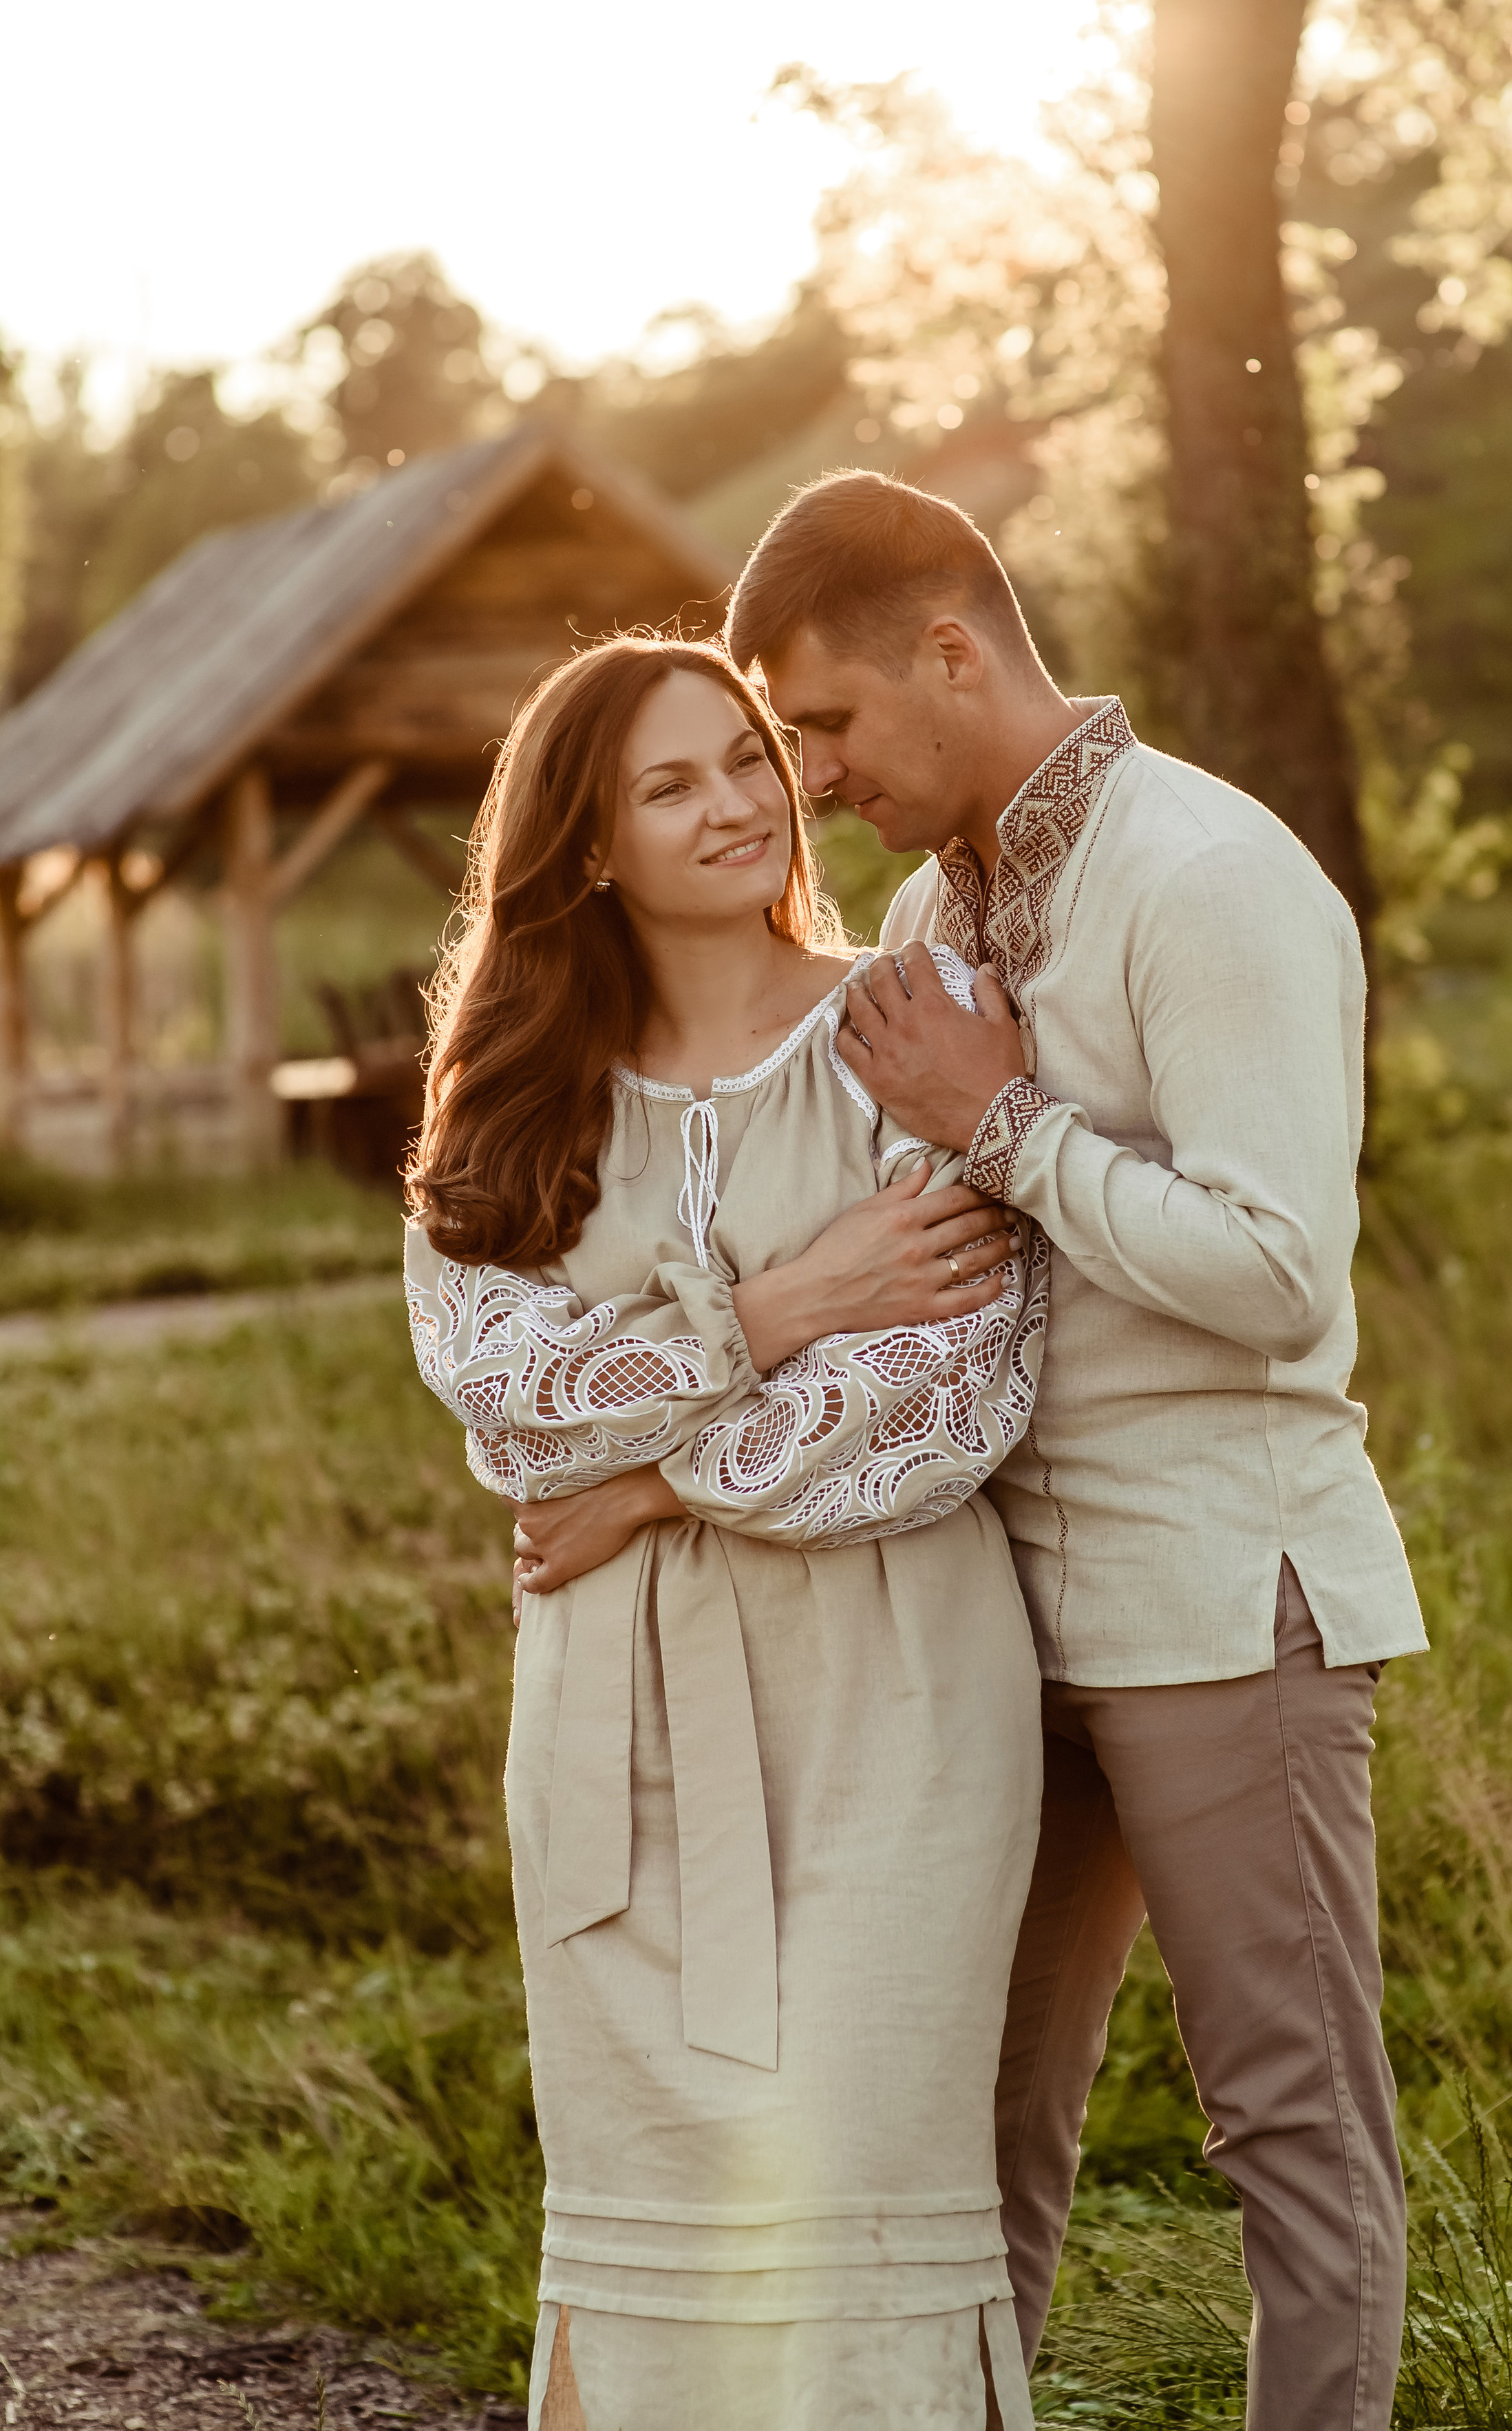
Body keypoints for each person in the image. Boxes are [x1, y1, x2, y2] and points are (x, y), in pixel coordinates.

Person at [725, 471, 1430, 2431]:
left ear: (953, 648)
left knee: (1290, 2123)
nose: (820, 777)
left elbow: (1282, 1272)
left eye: (834, 725)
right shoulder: (934, 904)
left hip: (1220, 1598)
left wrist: (1007, 1118)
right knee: (965, 2130)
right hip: (991, 1619)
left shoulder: (1212, 876)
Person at [402, 636, 1049, 2431]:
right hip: (615, 1721)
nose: (739, 803)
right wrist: (777, 1311)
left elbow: (947, 1390)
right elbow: (510, 1401)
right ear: (588, 843)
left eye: (751, 759)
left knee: (854, 2178)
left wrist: (656, 1475)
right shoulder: (515, 1097)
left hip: (894, 1688)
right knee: (660, 2203)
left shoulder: (910, 1018)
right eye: (671, 782)